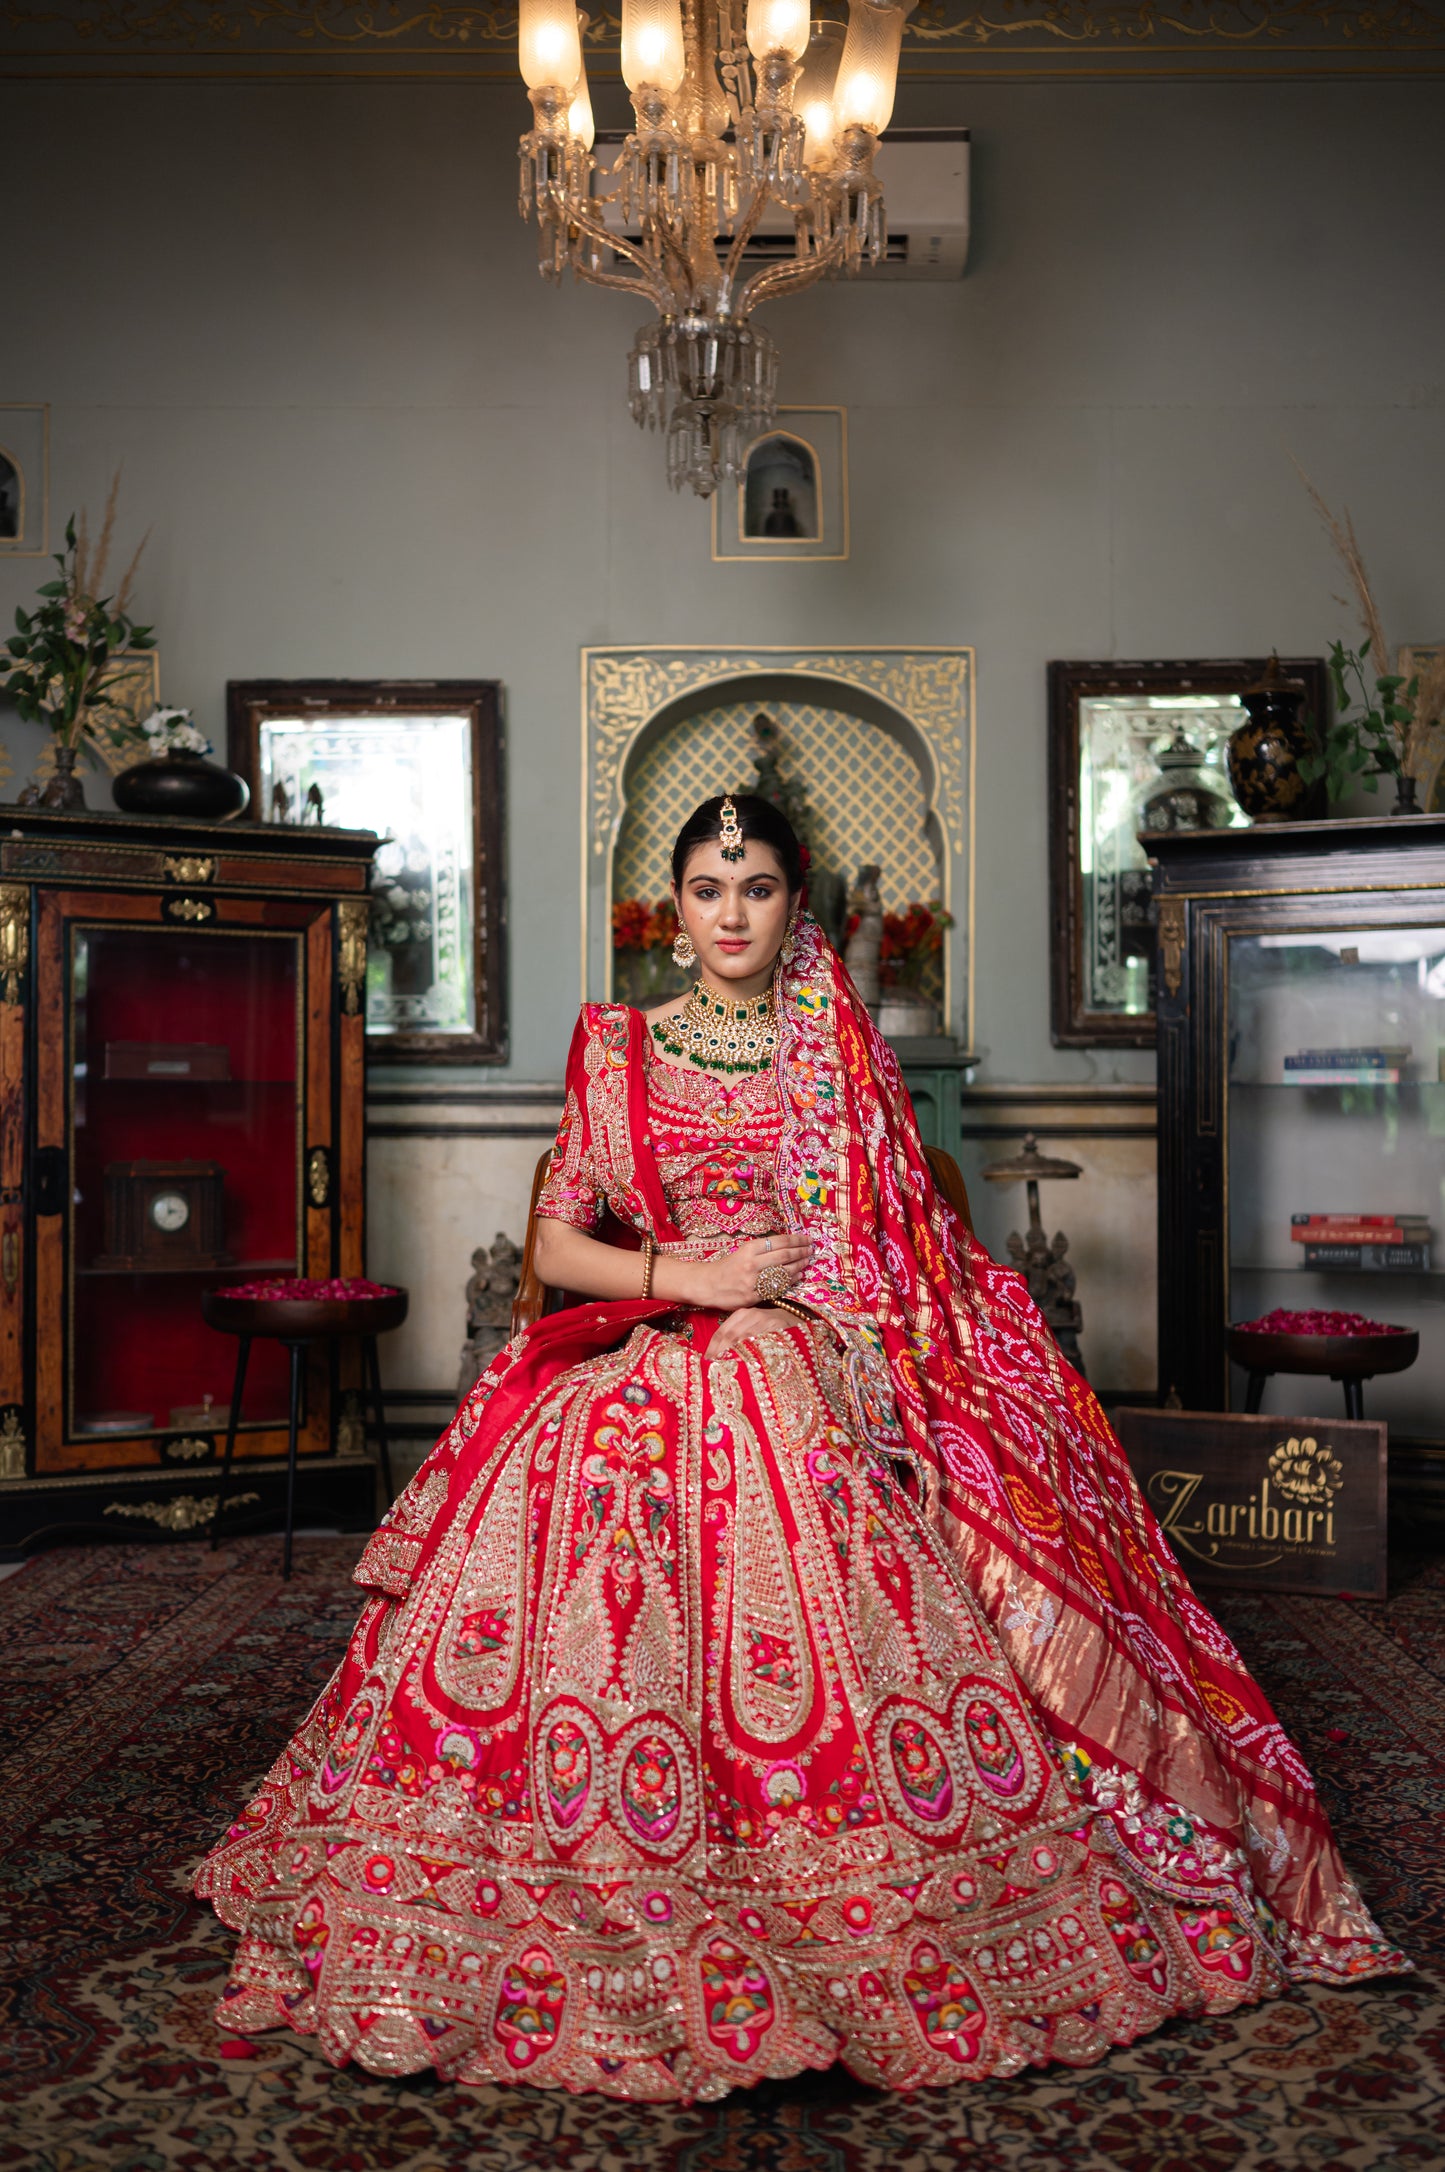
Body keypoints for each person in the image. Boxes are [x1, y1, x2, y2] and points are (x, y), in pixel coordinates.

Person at [196, 793, 1404, 2103]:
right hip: (659, 1323)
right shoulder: (619, 1047)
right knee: (594, 1437)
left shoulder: (832, 1052)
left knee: (768, 1399)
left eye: (757, 889)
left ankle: (839, 1873)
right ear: (672, 904)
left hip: (802, 1343)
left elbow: (889, 1248)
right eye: (709, 890)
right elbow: (557, 1246)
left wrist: (812, 1325)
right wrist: (688, 1277)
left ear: (793, 902)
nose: (731, 914)